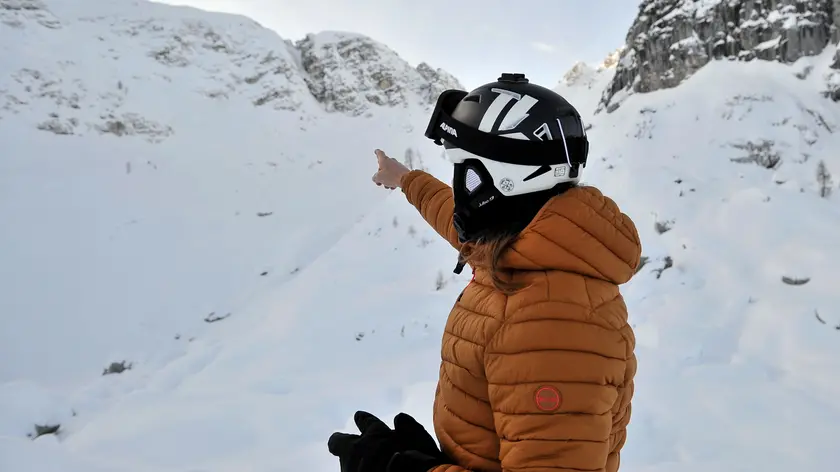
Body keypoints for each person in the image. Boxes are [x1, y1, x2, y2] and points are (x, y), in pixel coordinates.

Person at [328, 73, 642, 472]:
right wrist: (406, 180)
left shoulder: (553, 324)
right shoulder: (530, 239)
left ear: (510, 178)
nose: (461, 186)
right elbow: (457, 219)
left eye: (467, 171)